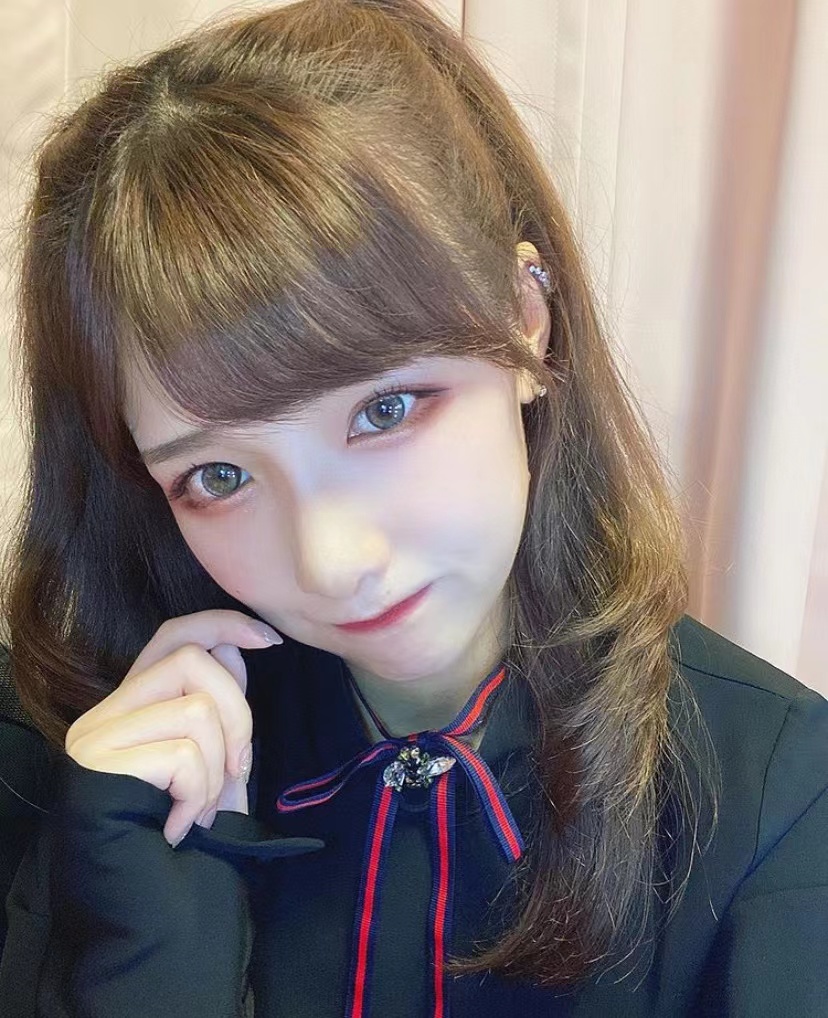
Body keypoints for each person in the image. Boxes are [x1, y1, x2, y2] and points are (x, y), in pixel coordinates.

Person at [0, 0, 826, 1015]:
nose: (332, 560)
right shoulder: (90, 772)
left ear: (526, 317)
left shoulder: (776, 803)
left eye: (384, 411)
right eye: (218, 476)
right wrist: (146, 949)